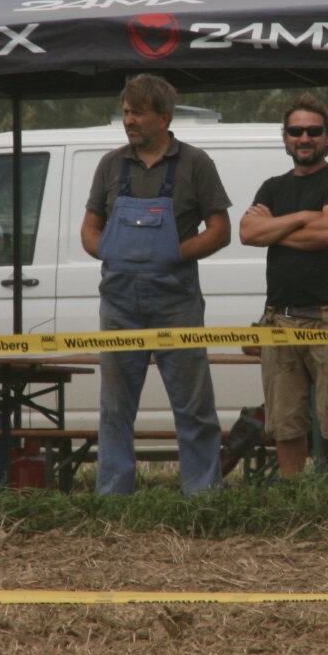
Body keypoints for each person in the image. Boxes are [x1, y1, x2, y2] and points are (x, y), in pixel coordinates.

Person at [81, 74, 231, 495]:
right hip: (119, 303)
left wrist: (175, 253)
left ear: (164, 118)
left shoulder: (195, 163)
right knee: (115, 408)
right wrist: (109, 250)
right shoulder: (111, 165)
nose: (129, 121)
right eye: (126, 112)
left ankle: (203, 497)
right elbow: (89, 228)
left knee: (194, 407)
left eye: (138, 113)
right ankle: (114, 499)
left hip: (176, 301)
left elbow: (220, 230)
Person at [239, 94, 328, 480]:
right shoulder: (272, 187)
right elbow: (247, 233)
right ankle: (295, 500)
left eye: (314, 131)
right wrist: (301, 217)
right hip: (279, 321)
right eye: (296, 131)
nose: (304, 138)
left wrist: (274, 229)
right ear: (285, 137)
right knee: (285, 423)